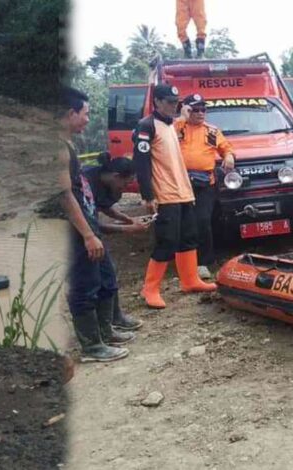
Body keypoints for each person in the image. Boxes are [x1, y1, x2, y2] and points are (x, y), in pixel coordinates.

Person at [59, 86, 133, 363]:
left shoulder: (67, 144)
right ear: (71, 113)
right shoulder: (58, 149)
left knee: (103, 275)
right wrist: (88, 235)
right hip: (77, 231)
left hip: (87, 225)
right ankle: (92, 347)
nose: (88, 119)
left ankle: (105, 332)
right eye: (86, 113)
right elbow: (65, 196)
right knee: (83, 284)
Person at [133, 84, 216, 309]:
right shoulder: (147, 126)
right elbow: (141, 164)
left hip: (184, 192)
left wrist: (183, 113)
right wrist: (148, 195)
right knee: (166, 242)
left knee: (189, 237)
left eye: (176, 103)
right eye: (170, 102)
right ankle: (150, 289)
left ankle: (190, 281)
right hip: (165, 195)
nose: (174, 106)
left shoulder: (172, 124)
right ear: (157, 102)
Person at [82, 153, 148, 331]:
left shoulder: (103, 181)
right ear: (116, 176)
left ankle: (114, 319)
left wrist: (128, 219)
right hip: (81, 236)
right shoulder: (85, 183)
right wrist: (127, 229)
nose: (125, 188)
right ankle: (100, 330)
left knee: (108, 274)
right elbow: (94, 224)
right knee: (93, 282)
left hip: (91, 234)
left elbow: (103, 206)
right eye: (125, 184)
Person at [174, 93, 235, 279]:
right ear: (186, 109)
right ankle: (184, 263)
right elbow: (163, 136)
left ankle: (204, 262)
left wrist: (229, 156)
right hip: (179, 183)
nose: (200, 113)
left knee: (202, 222)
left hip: (204, 184)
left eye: (203, 109)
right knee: (182, 223)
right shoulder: (176, 127)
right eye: (195, 109)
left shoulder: (212, 131)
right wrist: (182, 117)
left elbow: (227, 147)